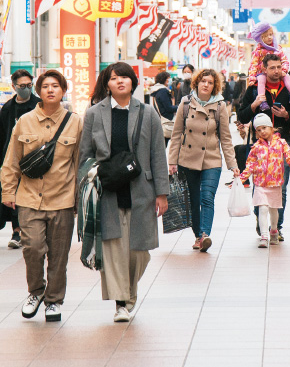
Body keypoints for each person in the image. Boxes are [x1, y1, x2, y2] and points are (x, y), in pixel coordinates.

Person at [78, 62, 169, 323]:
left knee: (139, 251)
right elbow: (85, 155)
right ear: (106, 83)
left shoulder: (148, 112)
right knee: (114, 248)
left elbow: (157, 154)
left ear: (133, 82)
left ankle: (128, 293)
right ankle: (121, 303)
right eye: (114, 78)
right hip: (107, 189)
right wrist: (83, 191)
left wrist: (162, 192)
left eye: (125, 77)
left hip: (141, 188)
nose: (120, 82)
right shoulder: (95, 113)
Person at [1, 70, 82, 323]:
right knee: (33, 249)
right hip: (28, 198)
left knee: (59, 254)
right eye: (45, 86)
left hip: (63, 199)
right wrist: (7, 190)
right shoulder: (24, 121)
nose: (50, 90)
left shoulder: (75, 122)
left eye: (55, 86)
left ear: (63, 90)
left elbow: (80, 163)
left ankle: (54, 300)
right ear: (39, 90)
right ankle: (35, 291)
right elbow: (11, 159)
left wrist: (80, 199)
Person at [168, 68, 239, 252]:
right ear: (197, 83)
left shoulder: (220, 106)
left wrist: (233, 164)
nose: (206, 85)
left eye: (210, 82)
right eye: (203, 81)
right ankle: (198, 236)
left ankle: (205, 234)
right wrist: (172, 161)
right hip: (187, 159)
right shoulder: (185, 103)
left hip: (211, 160)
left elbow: (225, 137)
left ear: (215, 86)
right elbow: (176, 135)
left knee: (207, 198)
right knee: (193, 200)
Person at [238, 53, 290, 240]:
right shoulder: (254, 89)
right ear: (264, 69)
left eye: (279, 67)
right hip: (259, 145)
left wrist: (286, 116)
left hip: (282, 143)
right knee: (258, 185)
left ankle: (277, 226)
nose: (277, 71)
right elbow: (241, 116)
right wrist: (254, 105)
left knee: (280, 187)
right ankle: (262, 225)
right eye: (272, 68)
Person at [239, 113, 290, 247]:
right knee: (262, 209)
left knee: (274, 210)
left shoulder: (281, 143)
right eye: (259, 130)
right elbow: (249, 165)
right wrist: (240, 180)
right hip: (260, 184)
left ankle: (274, 230)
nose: (262, 132)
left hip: (275, 184)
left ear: (271, 127)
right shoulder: (256, 147)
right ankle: (264, 236)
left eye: (264, 128)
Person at [0, 69, 40, 249]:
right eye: (22, 86)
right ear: (14, 86)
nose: (26, 89)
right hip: (13, 156)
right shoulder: (8, 108)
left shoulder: (39, 105)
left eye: (29, 85)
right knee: (14, 193)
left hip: (36, 157)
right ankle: (17, 231)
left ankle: (31, 229)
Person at [248, 21, 290, 112]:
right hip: (262, 73)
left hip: (278, 73)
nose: (269, 37)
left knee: (287, 76)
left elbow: (284, 60)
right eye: (266, 36)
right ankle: (262, 100)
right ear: (261, 37)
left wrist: (283, 69)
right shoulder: (258, 51)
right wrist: (252, 77)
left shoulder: (277, 49)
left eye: (271, 35)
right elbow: (253, 64)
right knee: (261, 80)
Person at [150, 71, 178, 148]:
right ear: (164, 80)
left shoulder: (157, 90)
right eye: (168, 79)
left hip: (162, 118)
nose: (169, 81)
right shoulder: (163, 91)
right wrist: (179, 107)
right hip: (167, 120)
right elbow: (168, 108)